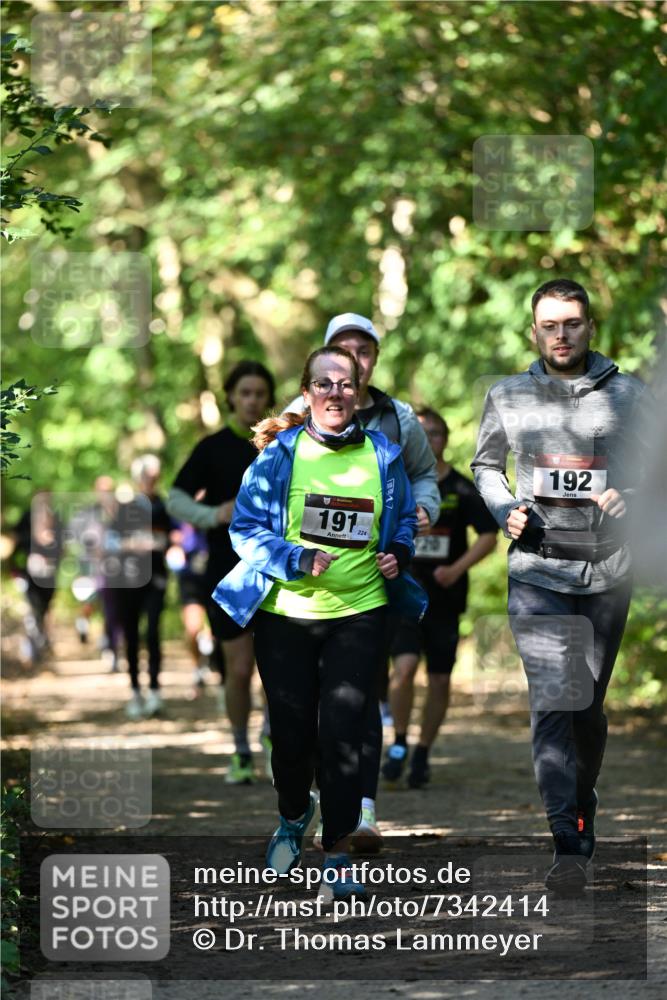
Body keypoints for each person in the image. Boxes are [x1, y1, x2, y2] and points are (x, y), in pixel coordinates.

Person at [213, 346, 426, 899]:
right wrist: (295, 557)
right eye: (324, 384)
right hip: (286, 615)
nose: (335, 393)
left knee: (343, 731)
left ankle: (336, 854)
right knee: (291, 738)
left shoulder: (383, 454)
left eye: (345, 383)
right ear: (307, 393)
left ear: (358, 391)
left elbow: (404, 519)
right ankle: (292, 814)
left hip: (360, 611)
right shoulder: (281, 454)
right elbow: (244, 528)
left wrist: (398, 553)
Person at [471, 278, 651, 894]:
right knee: (554, 698)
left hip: (607, 571)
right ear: (534, 331)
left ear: (590, 326)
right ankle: (566, 843)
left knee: (586, 708)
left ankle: (581, 801)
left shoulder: (629, 394)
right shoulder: (508, 395)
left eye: (572, 323)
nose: (561, 335)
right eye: (549, 325)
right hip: (536, 570)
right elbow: (485, 465)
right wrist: (505, 510)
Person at [286, 313, 439, 848]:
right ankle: (310, 799)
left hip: (374, 580)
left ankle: (359, 810)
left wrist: (423, 508)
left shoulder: (399, 417)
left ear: (373, 359)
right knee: (307, 705)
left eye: (365, 351)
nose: (355, 360)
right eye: (344, 350)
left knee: (361, 692)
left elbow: (424, 474)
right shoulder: (296, 413)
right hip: (301, 592)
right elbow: (266, 484)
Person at [167, 360, 276, 783]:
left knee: (276, 667)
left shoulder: (282, 445)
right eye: (245, 393)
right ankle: (241, 750)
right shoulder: (212, 447)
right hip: (227, 572)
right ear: (230, 396)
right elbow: (176, 498)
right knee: (239, 668)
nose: (252, 401)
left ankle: (273, 738)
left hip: (278, 573)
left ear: (269, 398)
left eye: (260, 394)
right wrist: (212, 514)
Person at [383, 408, 497, 788]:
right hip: (403, 595)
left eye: (435, 433)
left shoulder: (461, 488)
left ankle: (422, 752)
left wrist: (457, 569)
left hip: (445, 600)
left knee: (439, 681)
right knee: (403, 670)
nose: (429, 439)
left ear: (445, 439)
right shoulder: (396, 483)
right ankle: (399, 742)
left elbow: (488, 535)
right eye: (421, 433)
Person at [113, 455, 174, 720]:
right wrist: (138, 543)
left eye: (156, 476)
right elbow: (113, 541)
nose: (152, 480)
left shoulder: (163, 505)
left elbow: (170, 538)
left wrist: (163, 543)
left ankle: (155, 691)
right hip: (128, 580)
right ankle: (135, 691)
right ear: (139, 477)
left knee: (152, 632)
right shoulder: (126, 507)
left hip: (156, 578)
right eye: (148, 475)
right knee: (131, 634)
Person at [11, 492, 64, 665]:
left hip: (49, 574)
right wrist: (16, 570)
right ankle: (35, 648)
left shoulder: (56, 520)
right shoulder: (26, 519)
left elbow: (62, 547)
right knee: (33, 609)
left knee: (44, 608)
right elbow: (15, 542)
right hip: (29, 574)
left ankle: (41, 644)